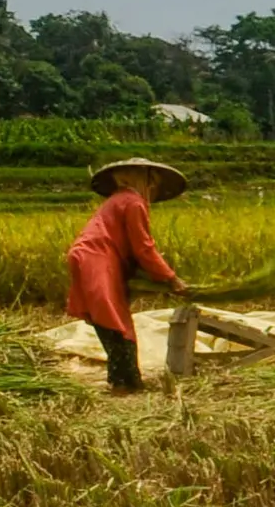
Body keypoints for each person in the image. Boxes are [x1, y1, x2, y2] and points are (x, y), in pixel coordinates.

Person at [65, 158, 190, 392]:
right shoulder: (133, 202)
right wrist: (171, 278)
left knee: (109, 319)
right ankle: (126, 382)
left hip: (92, 257)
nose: (153, 190)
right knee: (116, 322)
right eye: (152, 184)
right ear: (141, 179)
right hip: (97, 258)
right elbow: (143, 247)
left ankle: (123, 379)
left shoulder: (121, 200)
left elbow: (133, 249)